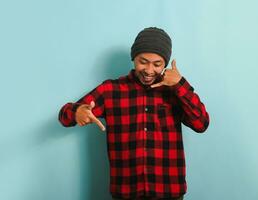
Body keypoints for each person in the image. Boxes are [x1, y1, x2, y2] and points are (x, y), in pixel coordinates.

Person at [58, 27, 210, 200]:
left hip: (169, 191)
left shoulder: (175, 91)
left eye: (157, 64)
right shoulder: (111, 90)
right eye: (143, 61)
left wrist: (180, 84)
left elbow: (202, 123)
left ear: (165, 64)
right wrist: (77, 111)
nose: (149, 70)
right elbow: (64, 115)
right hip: (126, 192)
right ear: (133, 58)